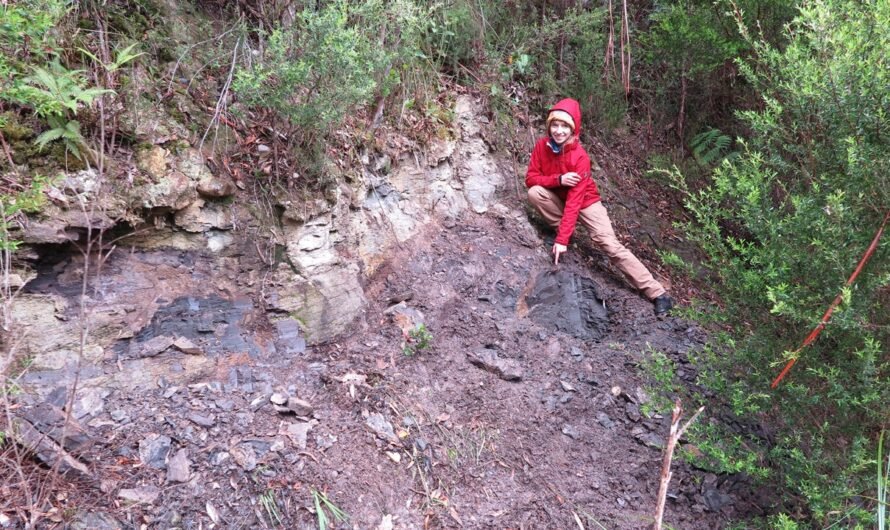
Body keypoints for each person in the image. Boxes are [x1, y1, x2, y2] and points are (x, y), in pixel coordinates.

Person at [525, 98, 674, 315]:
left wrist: (561, 241)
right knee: (535, 193)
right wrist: (559, 180)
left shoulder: (580, 158)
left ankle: (657, 294)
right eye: (555, 125)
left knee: (609, 244)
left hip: (586, 202)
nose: (558, 131)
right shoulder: (542, 146)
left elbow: (575, 202)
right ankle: (564, 232)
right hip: (558, 195)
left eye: (564, 126)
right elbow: (531, 178)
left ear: (573, 128)